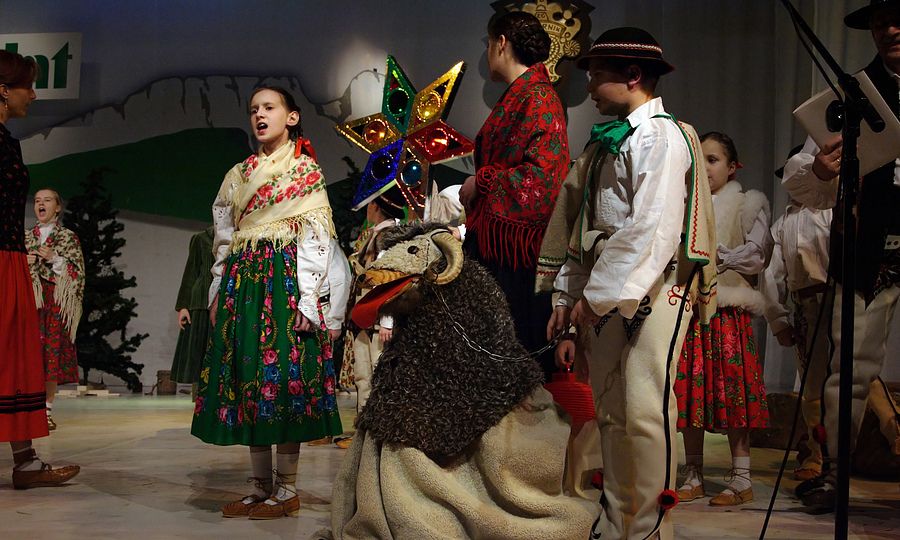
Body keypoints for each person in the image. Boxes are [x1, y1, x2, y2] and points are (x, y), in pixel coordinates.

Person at [539, 27, 718, 540]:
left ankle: (645, 527)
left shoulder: (661, 136)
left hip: (654, 287)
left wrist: (595, 299)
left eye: (598, 75)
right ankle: (615, 518)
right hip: (608, 287)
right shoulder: (607, 143)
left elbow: (651, 228)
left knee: (643, 407)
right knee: (612, 410)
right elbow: (584, 225)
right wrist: (568, 294)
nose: (590, 86)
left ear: (633, 76)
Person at [190, 85, 350, 519]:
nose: (260, 115)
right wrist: (218, 289)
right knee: (249, 376)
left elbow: (317, 237)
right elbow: (224, 239)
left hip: (284, 283)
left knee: (281, 379)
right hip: (244, 284)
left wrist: (310, 300)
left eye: (269, 107)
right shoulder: (238, 174)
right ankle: (260, 487)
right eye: (254, 109)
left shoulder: (304, 171)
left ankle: (288, 487)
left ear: (291, 117)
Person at [782, 0, 900, 509]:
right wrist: (822, 171)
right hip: (872, 248)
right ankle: (835, 473)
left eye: (899, 18)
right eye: (881, 21)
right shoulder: (853, 95)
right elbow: (802, 181)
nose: (890, 29)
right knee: (850, 368)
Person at [458, 10, 569, 379]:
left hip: (515, 259)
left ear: (501, 43)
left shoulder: (538, 96)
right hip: (498, 249)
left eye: (490, 43)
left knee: (513, 353)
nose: (488, 52)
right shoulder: (522, 95)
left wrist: (483, 181)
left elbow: (544, 178)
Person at [674, 132, 773, 507]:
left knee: (733, 390)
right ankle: (693, 473)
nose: (705, 166)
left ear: (733, 167)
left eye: (713, 159)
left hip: (728, 312)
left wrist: (720, 257)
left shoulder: (747, 204)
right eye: (699, 159)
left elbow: (757, 255)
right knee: (691, 390)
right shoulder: (685, 204)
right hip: (692, 310)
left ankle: (742, 477)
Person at [0, 49, 80, 489]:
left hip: (10, 258)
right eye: (26, 87)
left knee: (15, 354)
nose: (32, 95)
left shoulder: (7, 140)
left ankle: (26, 461)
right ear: (2, 90)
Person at [759, 197, 832, 481]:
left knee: (854, 372)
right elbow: (771, 275)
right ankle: (817, 452)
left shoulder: (830, 213)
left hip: (837, 299)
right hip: (806, 305)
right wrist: (778, 320)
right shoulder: (784, 224)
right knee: (812, 383)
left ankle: (890, 429)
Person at [329, 185, 406, 450]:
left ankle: (378, 436)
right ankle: (364, 434)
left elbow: (389, 280)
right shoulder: (376, 235)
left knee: (377, 376)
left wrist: (387, 321)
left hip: (377, 321)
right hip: (365, 320)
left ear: (376, 207)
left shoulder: (389, 237)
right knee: (364, 377)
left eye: (371, 204)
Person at [25, 188, 85, 430]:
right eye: (37, 201)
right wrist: (22, 262)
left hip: (54, 302)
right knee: (28, 355)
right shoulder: (24, 237)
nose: (41, 204)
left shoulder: (68, 237)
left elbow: (77, 272)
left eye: (47, 200)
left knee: (50, 354)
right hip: (28, 302)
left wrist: (53, 258)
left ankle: (46, 411)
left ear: (57, 207)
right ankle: (26, 409)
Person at [171, 226, 214, 394]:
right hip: (202, 299)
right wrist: (183, 306)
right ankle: (199, 396)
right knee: (199, 352)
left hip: (226, 298)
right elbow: (191, 272)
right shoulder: (201, 239)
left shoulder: (237, 237)